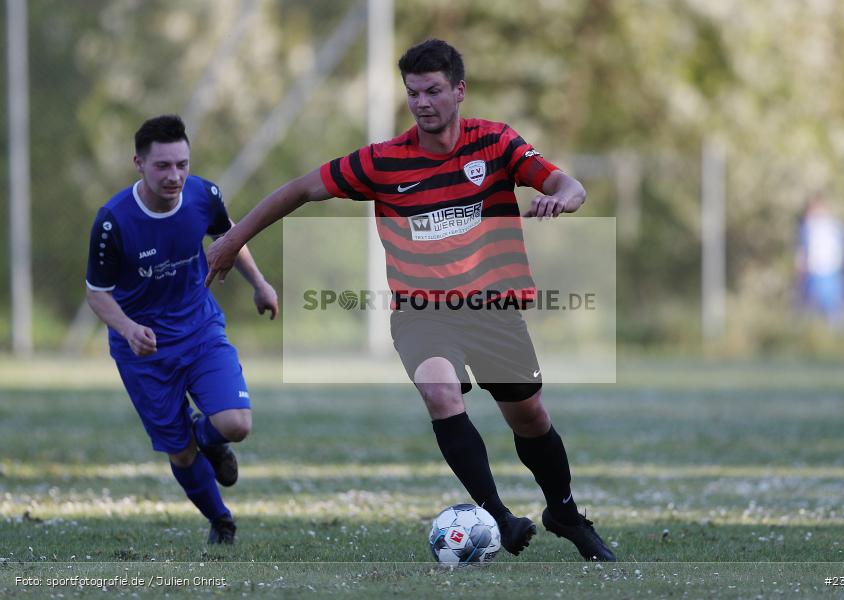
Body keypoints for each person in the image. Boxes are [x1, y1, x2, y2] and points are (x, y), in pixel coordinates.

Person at [206, 39, 616, 561]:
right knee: (442, 393)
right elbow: (301, 189)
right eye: (413, 92)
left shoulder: (495, 143)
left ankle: (563, 512)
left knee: (530, 416)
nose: (422, 102)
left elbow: (567, 182)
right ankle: (498, 516)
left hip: (492, 308)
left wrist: (562, 197)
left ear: (459, 91)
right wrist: (235, 237)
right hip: (421, 312)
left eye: (434, 90)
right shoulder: (383, 161)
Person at [85, 114, 279, 544]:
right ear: (138, 162)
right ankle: (221, 522)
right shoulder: (113, 220)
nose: (174, 176)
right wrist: (128, 328)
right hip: (144, 350)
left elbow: (229, 239)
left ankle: (210, 439)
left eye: (182, 164)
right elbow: (97, 293)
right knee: (180, 449)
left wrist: (260, 284)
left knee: (236, 424)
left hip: (199, 329)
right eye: (162, 166)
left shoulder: (203, 195)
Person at [795, 193, 844, 328]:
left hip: (831, 272)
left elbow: (842, 249)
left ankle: (833, 336)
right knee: (811, 308)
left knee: (833, 309)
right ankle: (813, 336)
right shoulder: (809, 226)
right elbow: (803, 252)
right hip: (814, 272)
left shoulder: (833, 226)